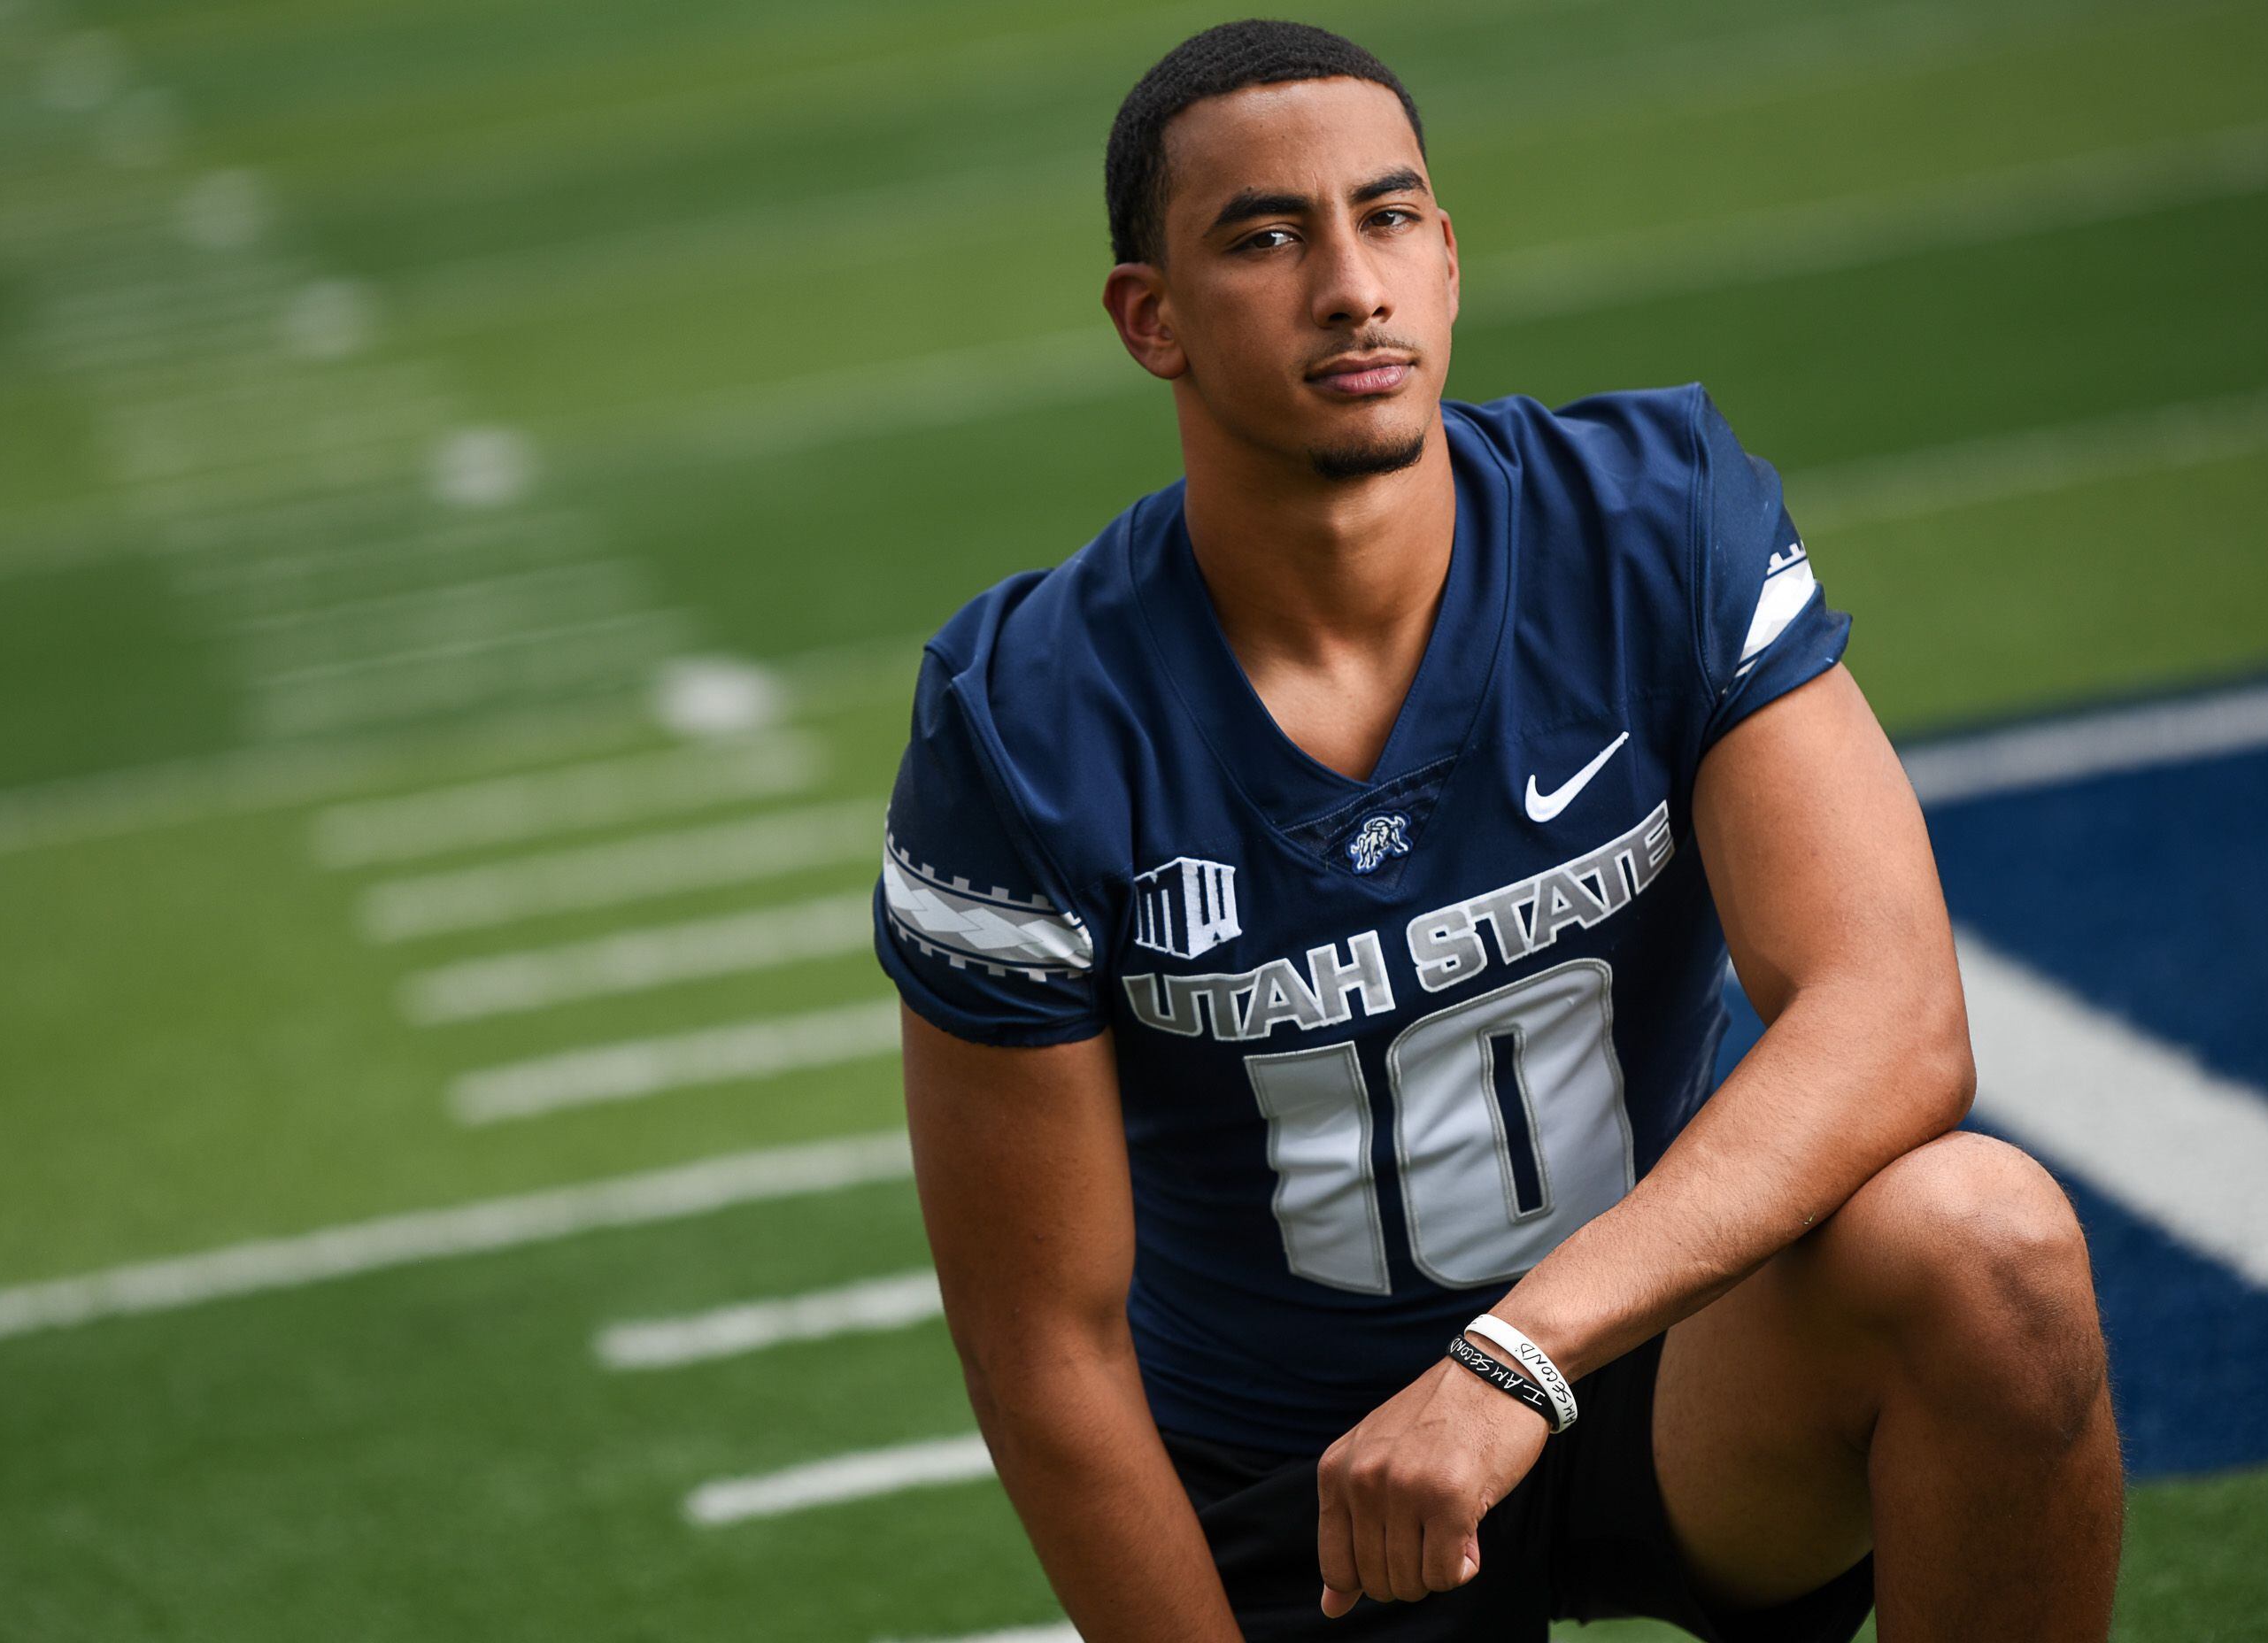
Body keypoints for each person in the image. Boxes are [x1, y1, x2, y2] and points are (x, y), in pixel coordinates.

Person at [871, 19, 2120, 1641]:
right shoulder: (1021, 718)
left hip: (1659, 1366)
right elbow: (1044, 1346)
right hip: (1297, 1479)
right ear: (1150, 319)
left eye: (1389, 218)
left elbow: (1892, 1015)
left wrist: (1513, 1360)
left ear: (1449, 260)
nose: (1350, 285)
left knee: (1986, 1241)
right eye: (1266, 236)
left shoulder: (1654, 516)